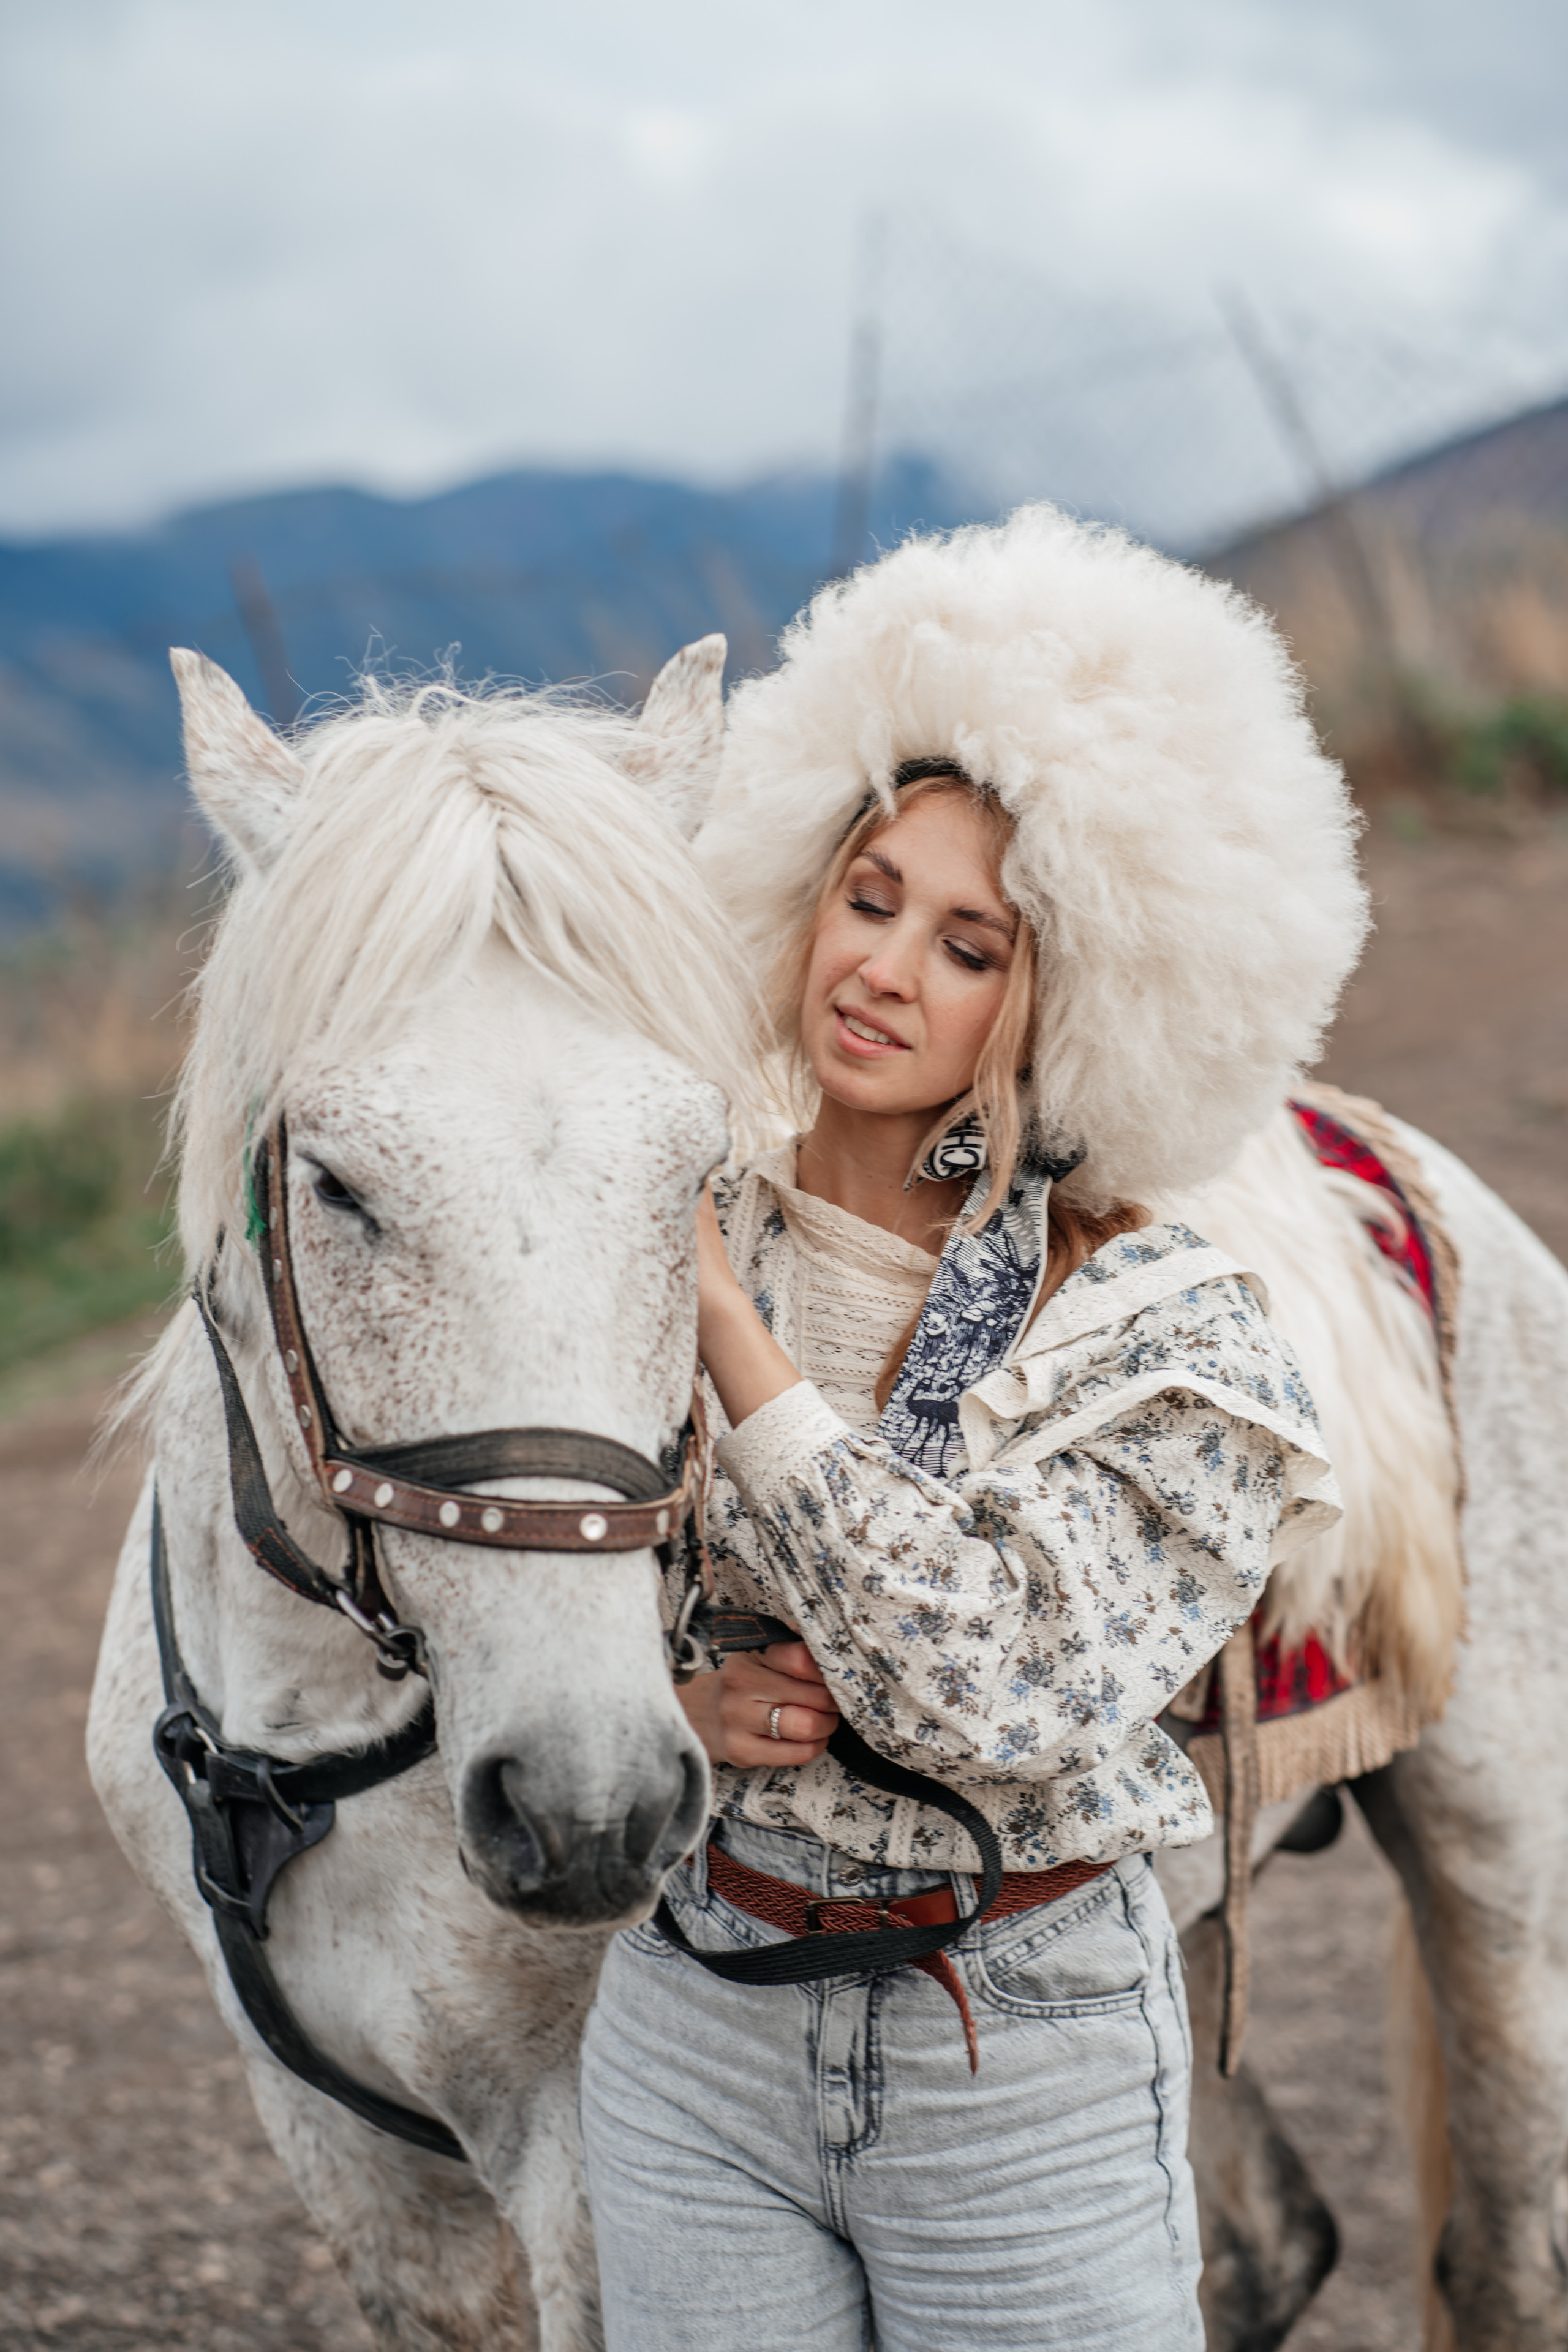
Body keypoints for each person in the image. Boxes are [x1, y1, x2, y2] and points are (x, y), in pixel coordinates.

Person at [578, 505, 1365, 2350]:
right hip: (694, 2025)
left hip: (1015, 2059)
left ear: (1067, 998)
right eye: (869, 900)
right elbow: (525, 1605)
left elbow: (987, 1693)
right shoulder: (660, 1237)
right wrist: (664, 1714)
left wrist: (725, 1335)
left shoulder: (1170, 1337)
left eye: (970, 946)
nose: (885, 971)